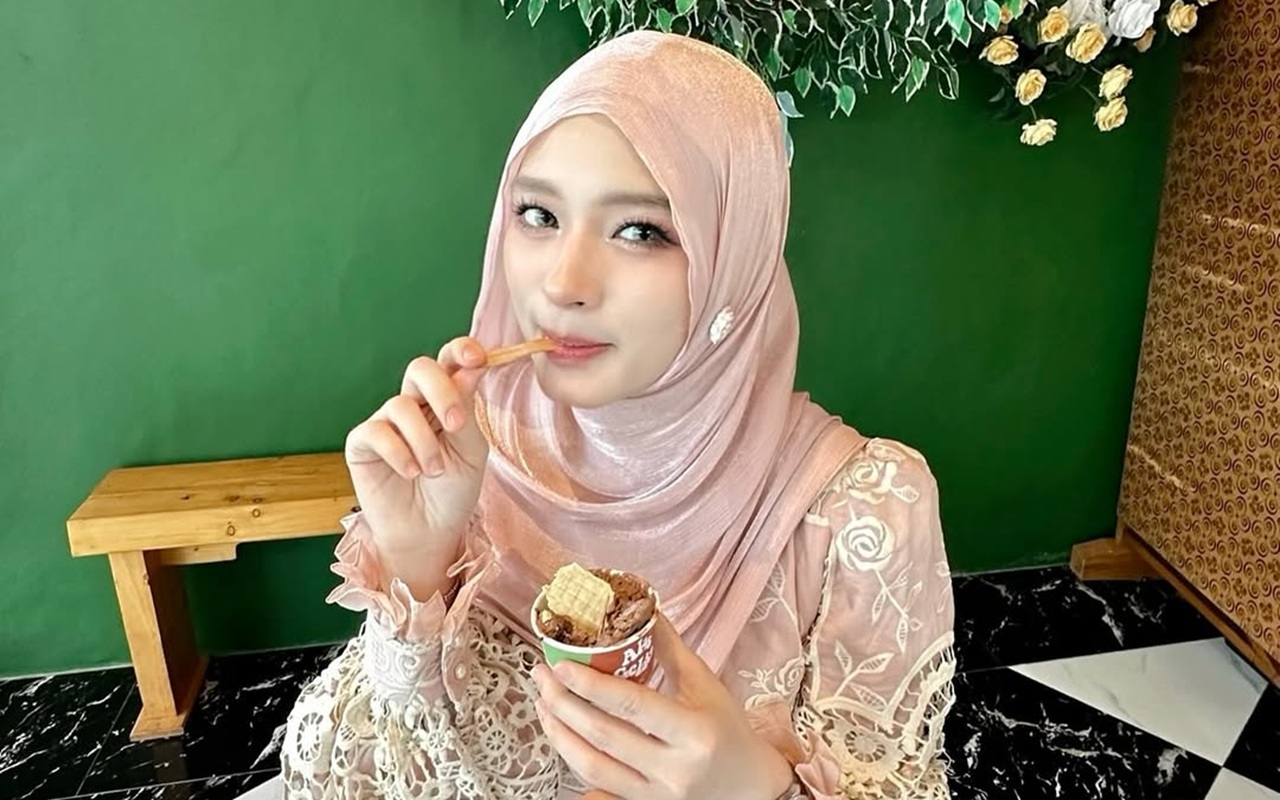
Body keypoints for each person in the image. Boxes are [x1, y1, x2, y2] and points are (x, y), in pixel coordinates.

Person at [278, 29, 956, 800]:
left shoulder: (860, 512)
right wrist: (415, 564)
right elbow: (352, 778)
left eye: (641, 231)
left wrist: (756, 788)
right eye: (538, 214)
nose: (563, 283)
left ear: (734, 256)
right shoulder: (469, 459)